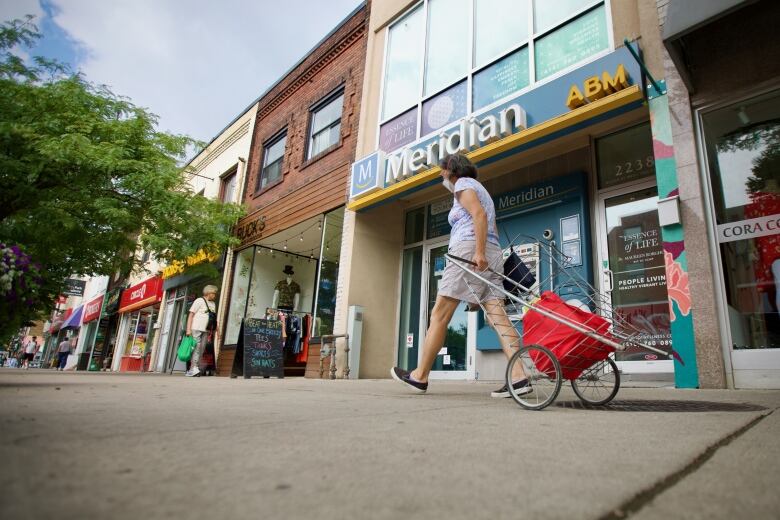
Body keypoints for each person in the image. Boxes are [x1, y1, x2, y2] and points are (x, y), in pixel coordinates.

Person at [391, 153, 529, 398]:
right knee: (498, 317)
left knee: (440, 314)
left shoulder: (463, 184)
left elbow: (479, 216)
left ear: (452, 169)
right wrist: (485, 259)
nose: (441, 176)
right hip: (493, 252)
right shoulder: (481, 189)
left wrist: (477, 252)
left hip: (468, 251)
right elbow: (490, 225)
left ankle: (419, 376)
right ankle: (519, 376)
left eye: (443, 171)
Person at [185, 285, 218, 377]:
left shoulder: (213, 304)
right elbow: (191, 315)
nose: (215, 295)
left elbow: (213, 318)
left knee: (202, 348)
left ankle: (194, 368)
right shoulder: (199, 301)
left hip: (206, 330)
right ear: (208, 292)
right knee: (197, 347)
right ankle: (193, 368)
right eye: (213, 293)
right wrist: (188, 329)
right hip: (196, 328)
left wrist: (216, 330)